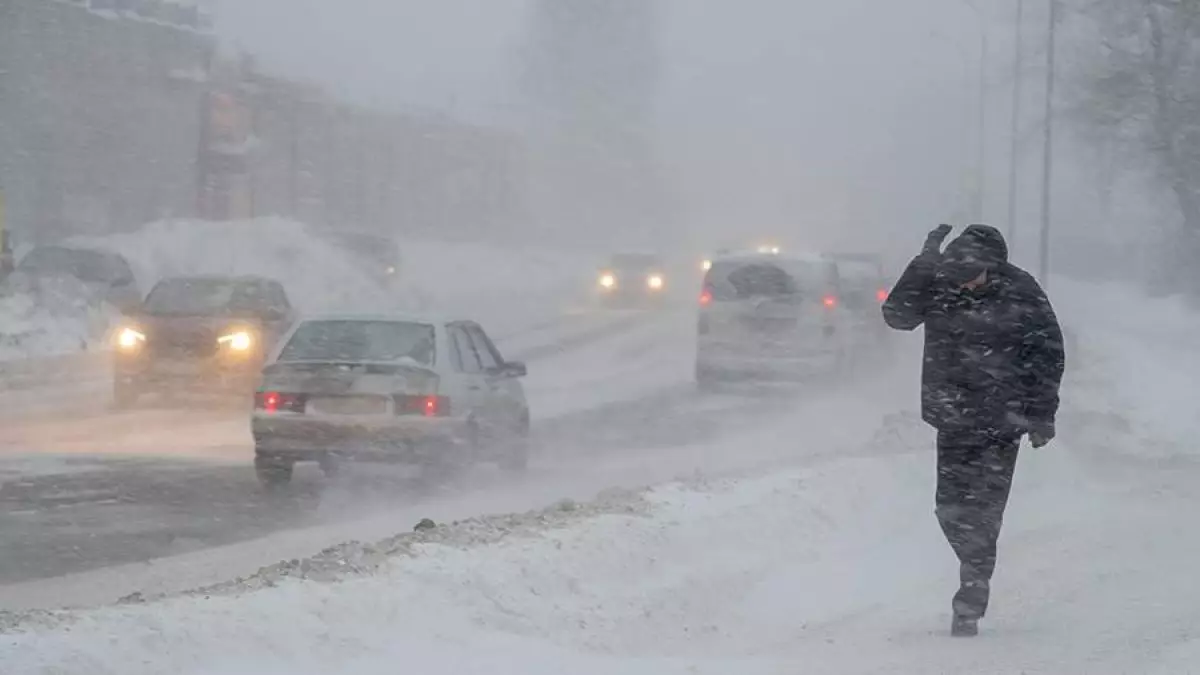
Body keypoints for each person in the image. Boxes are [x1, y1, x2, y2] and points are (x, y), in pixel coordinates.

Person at [882, 224, 1065, 637]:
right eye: (959, 273)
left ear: (994, 267)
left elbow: (1048, 354)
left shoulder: (1021, 290)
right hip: (953, 416)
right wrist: (925, 261)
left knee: (985, 509)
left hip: (1004, 421)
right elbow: (897, 316)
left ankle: (972, 590)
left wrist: (1042, 414)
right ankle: (974, 562)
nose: (966, 282)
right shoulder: (940, 281)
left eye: (975, 274)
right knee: (948, 507)